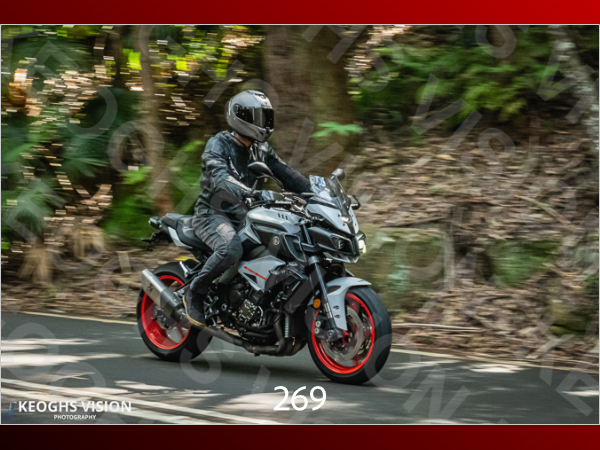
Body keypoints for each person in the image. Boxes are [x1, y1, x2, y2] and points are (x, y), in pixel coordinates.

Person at [183, 90, 312, 327]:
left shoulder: (262, 149)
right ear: (240, 117)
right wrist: (250, 192)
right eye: (258, 117)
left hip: (248, 215)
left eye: (266, 117)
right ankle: (195, 292)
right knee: (230, 249)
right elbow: (220, 178)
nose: (264, 123)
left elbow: (288, 175)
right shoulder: (218, 144)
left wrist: (315, 193)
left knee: (284, 246)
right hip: (213, 214)